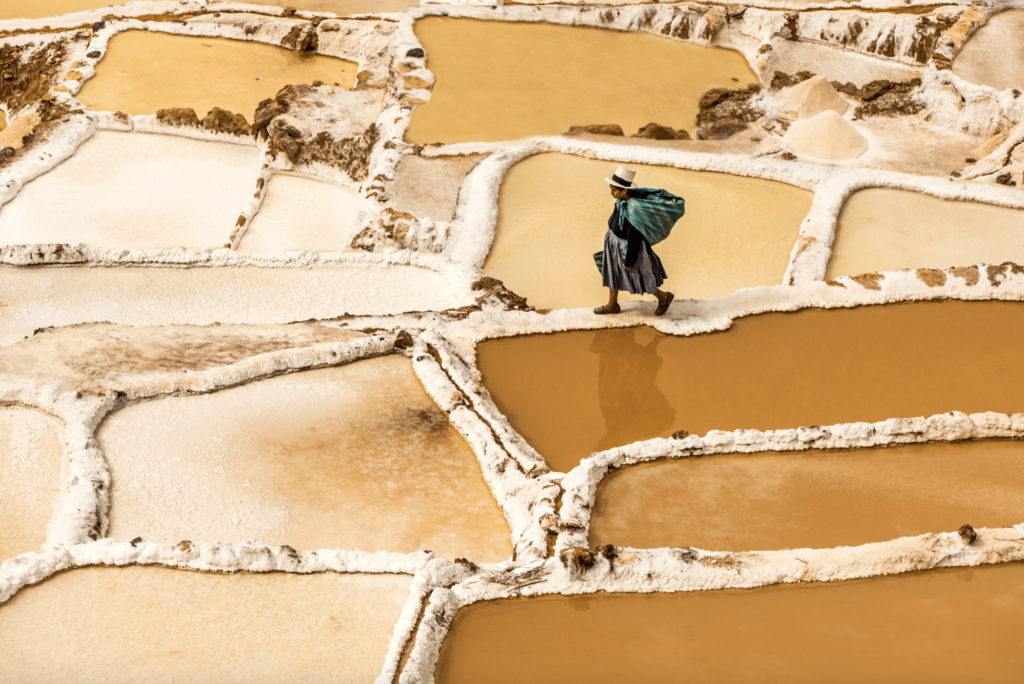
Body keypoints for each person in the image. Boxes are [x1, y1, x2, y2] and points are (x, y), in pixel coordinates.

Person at [593, 164, 681, 316]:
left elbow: (634, 237)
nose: (611, 193)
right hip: (614, 242)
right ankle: (612, 304)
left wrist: (629, 260)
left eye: (614, 190)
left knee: (641, 276)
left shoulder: (634, 209)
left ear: (625, 190)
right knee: (612, 272)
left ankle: (664, 297)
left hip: (628, 248)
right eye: (611, 189)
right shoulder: (622, 201)